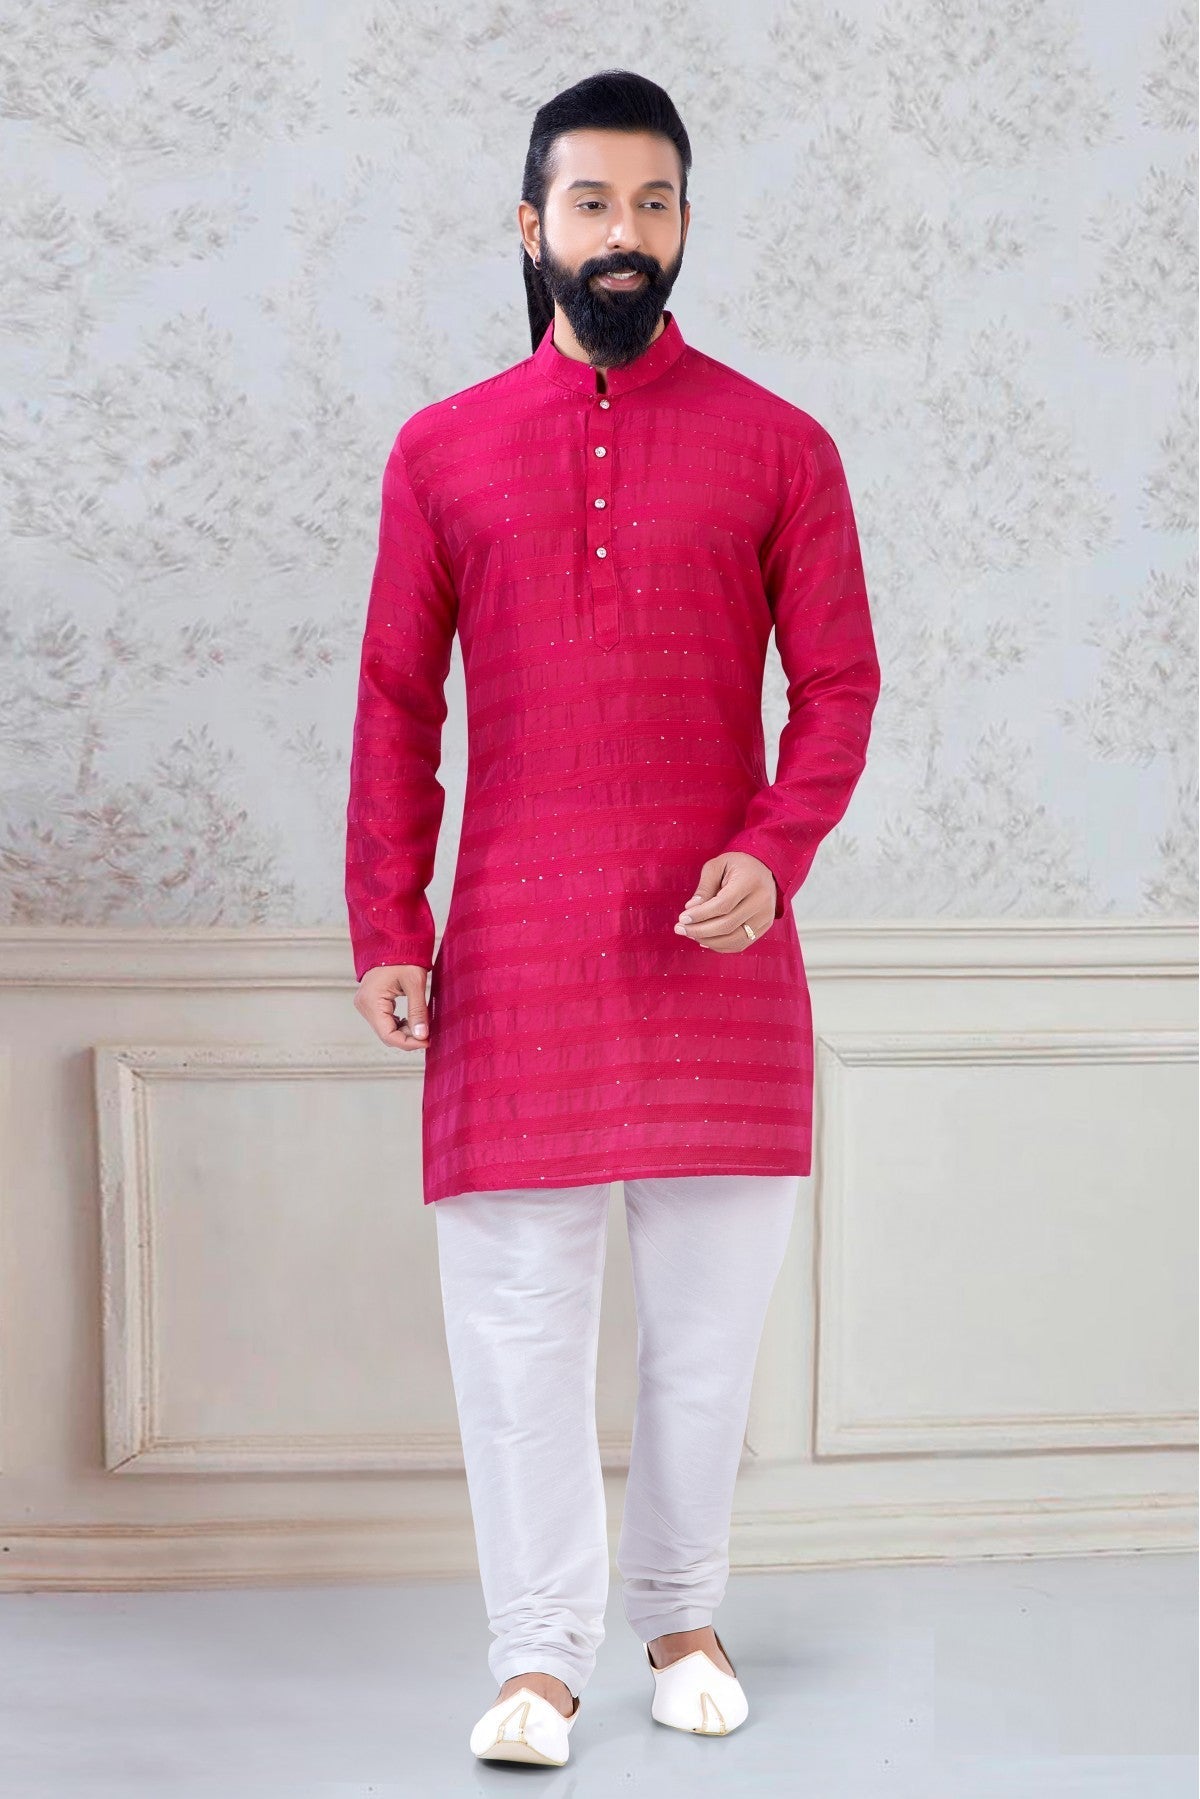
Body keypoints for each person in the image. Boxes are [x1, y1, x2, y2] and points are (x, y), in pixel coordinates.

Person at [345, 69, 881, 1766]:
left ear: (685, 226)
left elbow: (842, 686)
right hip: (516, 952)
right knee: (516, 1324)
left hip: (721, 953)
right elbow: (395, 702)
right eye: (592, 203)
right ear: (533, 226)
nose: (625, 233)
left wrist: (776, 849)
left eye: (654, 203)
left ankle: (684, 1616)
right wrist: (387, 920)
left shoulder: (781, 445)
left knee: (706, 1335)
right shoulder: (442, 451)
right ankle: (536, 1659)